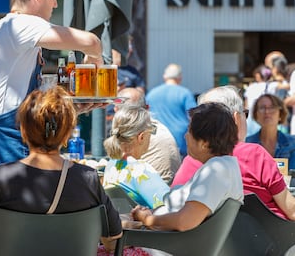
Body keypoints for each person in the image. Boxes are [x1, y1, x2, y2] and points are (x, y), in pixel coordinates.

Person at [0, 86, 122, 252]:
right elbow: (114, 234)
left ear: (23, 130)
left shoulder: (1, 177)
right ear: (67, 133)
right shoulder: (88, 178)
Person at [0, 0, 103, 166]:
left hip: (2, 145)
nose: (55, 4)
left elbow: (21, 104)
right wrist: (94, 58)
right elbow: (92, 41)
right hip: (5, 147)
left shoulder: (10, 29)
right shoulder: (19, 24)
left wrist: (74, 107)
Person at [172, 85, 295, 220]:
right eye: (245, 114)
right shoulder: (255, 154)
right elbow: (291, 210)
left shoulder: (191, 160)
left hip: (212, 238)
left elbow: (176, 206)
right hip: (270, 237)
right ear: (236, 118)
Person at [131, 103, 243, 235]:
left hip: (166, 246)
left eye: (189, 131)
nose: (185, 136)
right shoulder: (224, 166)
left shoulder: (216, 170)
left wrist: (147, 219)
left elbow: (185, 221)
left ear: (204, 143)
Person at [103, 105, 171, 209]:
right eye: (152, 131)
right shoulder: (140, 170)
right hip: (144, 224)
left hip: (122, 224)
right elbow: (170, 205)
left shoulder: (112, 164)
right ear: (141, 137)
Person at [116, 88, 181, 184]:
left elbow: (117, 169)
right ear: (147, 107)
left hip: (149, 191)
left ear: (117, 110)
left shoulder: (133, 130)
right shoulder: (159, 127)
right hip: (166, 188)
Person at [145, 63, 197, 158]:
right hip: (179, 140)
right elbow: (195, 117)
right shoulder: (185, 93)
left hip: (157, 139)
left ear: (165, 76)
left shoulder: (151, 94)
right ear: (180, 78)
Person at [246, 94, 295, 170]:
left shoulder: (293, 144)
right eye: (262, 108)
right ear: (256, 114)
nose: (267, 111)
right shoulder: (247, 144)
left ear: (280, 114)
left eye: (272, 107)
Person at [244, 64, 273, 137]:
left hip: (251, 116)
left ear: (258, 75)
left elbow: (246, 105)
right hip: (266, 116)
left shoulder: (252, 86)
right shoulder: (271, 86)